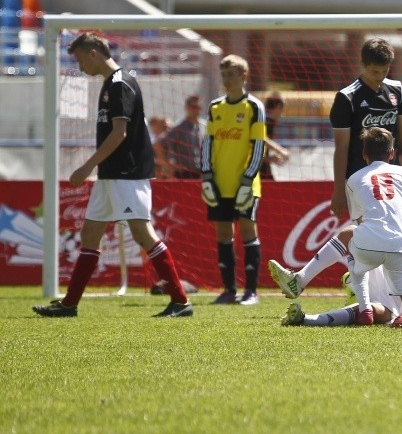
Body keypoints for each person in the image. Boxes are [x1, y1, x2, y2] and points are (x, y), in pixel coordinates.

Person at [32, 32, 192, 318]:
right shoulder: (110, 85)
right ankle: (69, 305)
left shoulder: (120, 84)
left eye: (80, 59)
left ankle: (180, 301)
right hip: (111, 175)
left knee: (143, 234)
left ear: (93, 53)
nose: (80, 67)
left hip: (127, 173)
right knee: (90, 233)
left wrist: (87, 165)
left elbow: (120, 133)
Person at [269, 215, 402, 302]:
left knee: (370, 309)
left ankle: (356, 286)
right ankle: (299, 281)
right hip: (393, 282)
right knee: (351, 232)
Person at [344, 127, 402, 327]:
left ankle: (365, 307)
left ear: (364, 154)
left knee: (350, 251)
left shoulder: (354, 179)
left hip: (369, 246)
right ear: (392, 153)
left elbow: (358, 220)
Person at [329, 37, 402, 219]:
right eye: (374, 71)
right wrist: (338, 190)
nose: (379, 76)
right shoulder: (347, 97)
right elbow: (341, 147)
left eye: (384, 71)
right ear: (363, 64)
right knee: (369, 228)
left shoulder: (397, 90)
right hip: (359, 177)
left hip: (392, 175)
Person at [200, 54, 267, 306]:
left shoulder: (253, 107)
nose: (227, 80)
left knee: (248, 230)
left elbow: (259, 146)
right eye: (224, 75)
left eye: (232, 75)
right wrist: (206, 177)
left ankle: (251, 293)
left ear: (244, 76)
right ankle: (229, 290)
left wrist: (248, 180)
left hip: (245, 184)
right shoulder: (215, 107)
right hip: (219, 182)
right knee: (222, 234)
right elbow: (207, 144)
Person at [161, 95, 203, 179]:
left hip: (201, 172)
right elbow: (159, 144)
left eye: (198, 107)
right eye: (193, 107)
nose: (196, 110)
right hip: (185, 173)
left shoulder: (204, 126)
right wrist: (168, 165)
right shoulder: (179, 127)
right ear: (187, 108)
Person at [259, 91, 290, 180]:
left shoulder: (264, 119)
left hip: (262, 169)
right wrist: (280, 150)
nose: (282, 114)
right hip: (257, 173)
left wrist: (269, 159)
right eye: (282, 109)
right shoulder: (267, 122)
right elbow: (260, 138)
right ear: (278, 107)